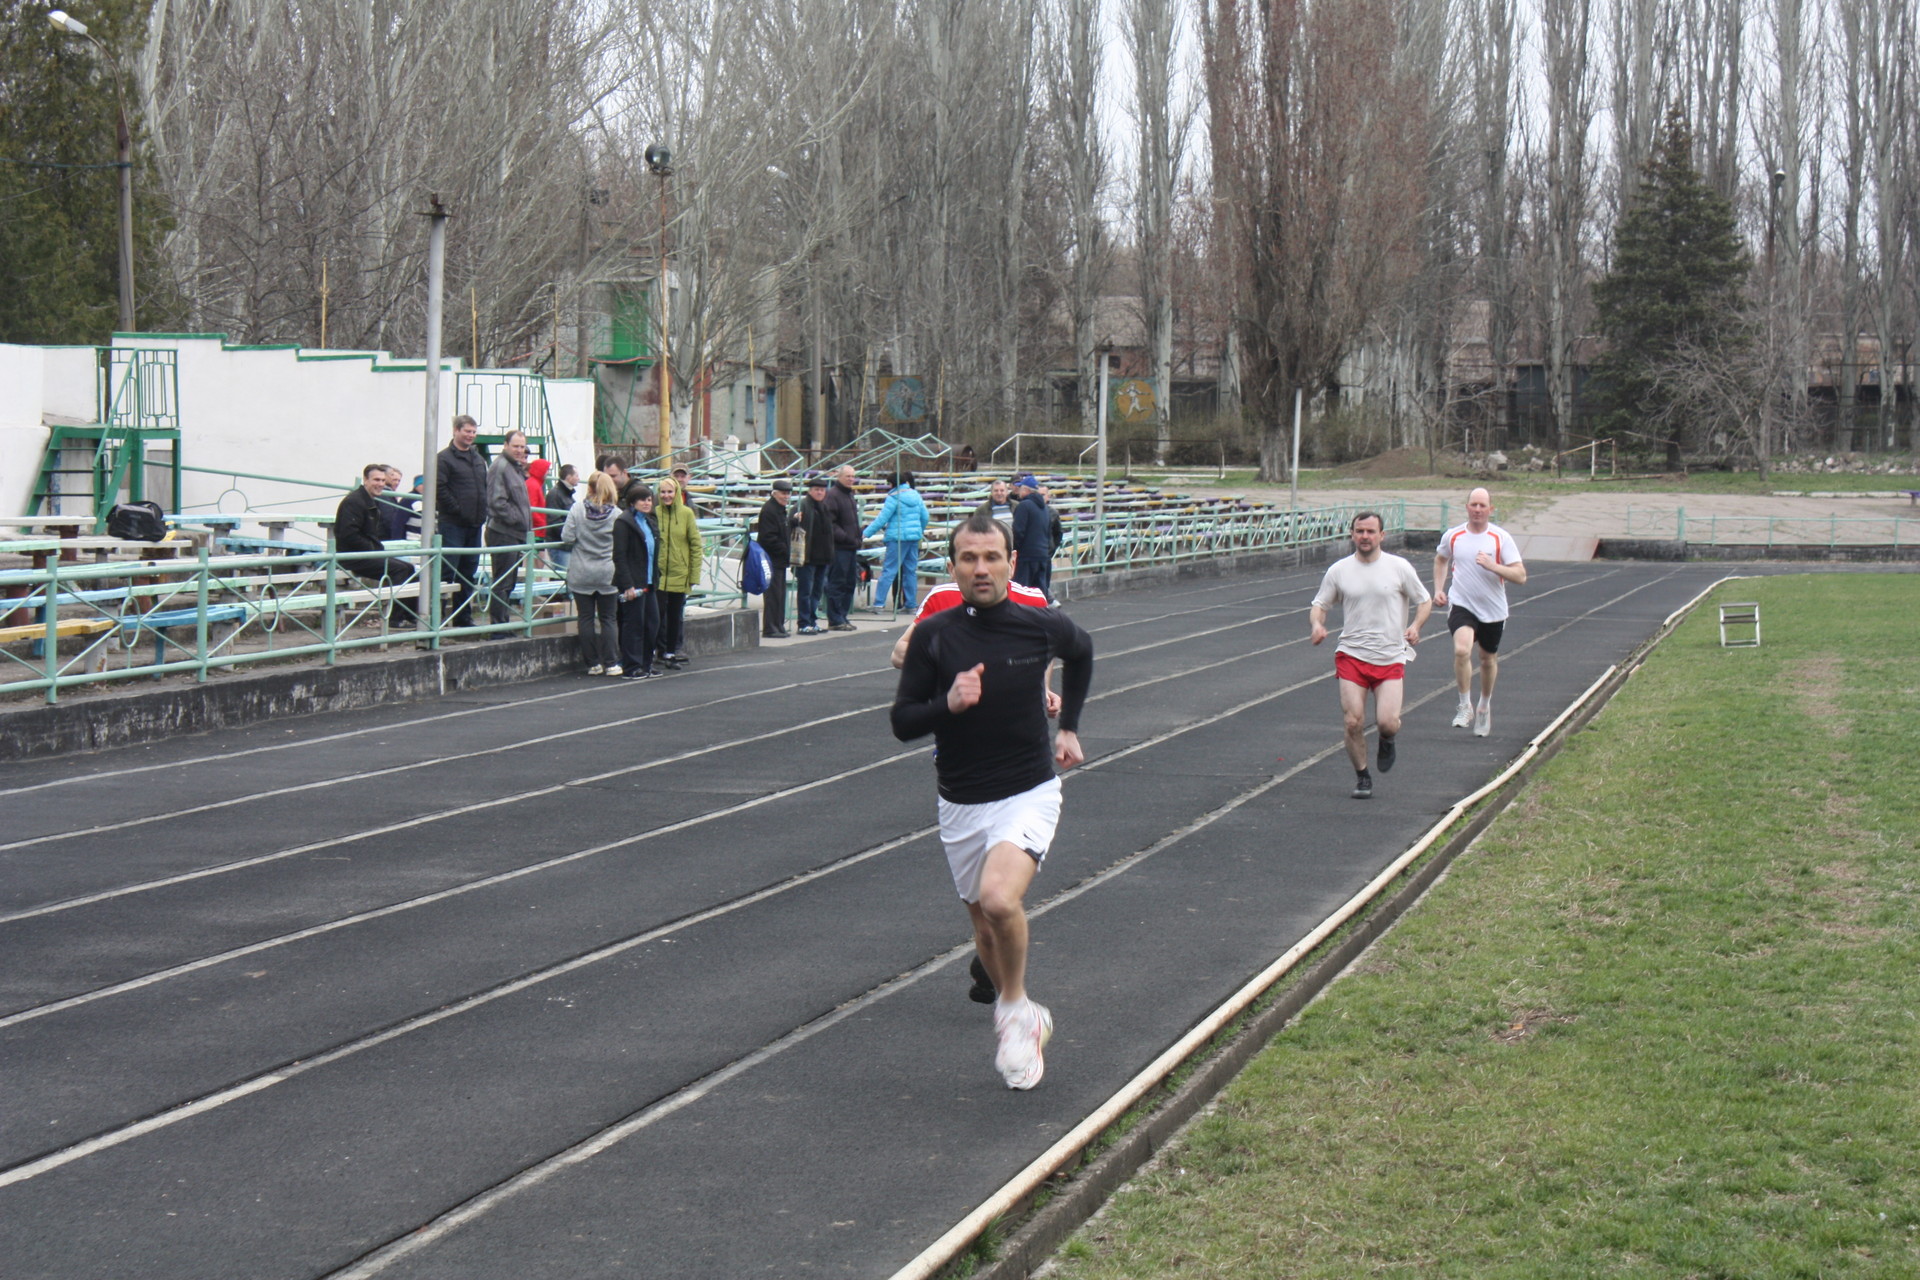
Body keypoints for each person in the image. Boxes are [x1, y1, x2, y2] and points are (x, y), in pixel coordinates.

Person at [891, 510, 1095, 1090]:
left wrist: (1070, 727)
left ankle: (1015, 1012)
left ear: (1010, 562)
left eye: (991, 557)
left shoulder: (1041, 623)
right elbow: (903, 722)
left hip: (1028, 789)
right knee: (984, 932)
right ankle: (1018, 1004)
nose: (981, 568)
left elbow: (1082, 654)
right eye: (968, 558)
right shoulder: (935, 635)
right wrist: (947, 705)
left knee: (1000, 901)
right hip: (960, 799)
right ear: (953, 567)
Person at [1310, 511, 1432, 800]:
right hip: (1351, 654)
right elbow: (1320, 604)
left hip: (1390, 656)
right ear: (1352, 534)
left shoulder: (1398, 567)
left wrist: (1415, 626)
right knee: (1353, 721)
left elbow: (1424, 601)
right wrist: (1317, 623)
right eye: (1360, 531)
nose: (1365, 536)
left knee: (1387, 721)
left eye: (1371, 531)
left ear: (1382, 535)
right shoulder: (1339, 570)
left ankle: (1387, 738)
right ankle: (1363, 775)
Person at [1433, 486, 1527, 737]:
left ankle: (1484, 705)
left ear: (1490, 510)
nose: (1477, 510)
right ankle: (1465, 705)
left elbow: (1520, 575)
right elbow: (1441, 559)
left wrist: (1493, 565)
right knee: (1462, 649)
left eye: (1482, 505)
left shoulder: (1500, 538)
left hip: (1493, 609)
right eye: (1473, 505)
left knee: (1487, 660)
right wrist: (1439, 589)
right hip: (1461, 603)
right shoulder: (1453, 536)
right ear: (1466, 507)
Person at [334, 464, 417, 622]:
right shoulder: (355, 502)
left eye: (383, 481)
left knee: (410, 568)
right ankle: (394, 618)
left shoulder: (368, 500)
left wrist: (374, 549)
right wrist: (373, 549)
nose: (380, 484)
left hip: (366, 553)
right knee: (399, 570)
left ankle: (410, 616)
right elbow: (349, 535)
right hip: (353, 557)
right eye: (376, 480)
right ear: (365, 480)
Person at [562, 471, 621, 675]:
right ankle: (612, 663)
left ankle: (593, 664)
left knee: (585, 618)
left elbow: (567, 536)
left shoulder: (577, 509)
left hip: (582, 570)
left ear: (589, 488)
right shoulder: (616, 514)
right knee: (608, 619)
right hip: (607, 572)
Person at [434, 414, 489, 628]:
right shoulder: (444, 458)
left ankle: (462, 617)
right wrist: (458, 510)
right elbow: (440, 488)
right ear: (456, 431)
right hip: (453, 524)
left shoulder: (478, 459)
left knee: (468, 571)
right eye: (467, 431)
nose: (470, 436)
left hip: (474, 524)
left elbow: (483, 487)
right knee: (448, 570)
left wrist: (481, 511)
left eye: (473, 432)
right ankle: (437, 617)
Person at [485, 429, 534, 632]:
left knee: (509, 581)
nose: (519, 450)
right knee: (503, 580)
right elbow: (496, 502)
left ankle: (503, 624)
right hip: (503, 532)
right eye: (515, 446)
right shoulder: (501, 467)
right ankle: (498, 627)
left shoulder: (515, 468)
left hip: (514, 532)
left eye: (522, 447)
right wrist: (517, 520)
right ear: (506, 445)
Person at [614, 481, 663, 679]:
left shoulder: (650, 521)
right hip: (634, 583)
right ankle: (631, 666)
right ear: (632, 502)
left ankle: (646, 663)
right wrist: (627, 585)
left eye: (649, 499)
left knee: (652, 623)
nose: (646, 503)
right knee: (633, 625)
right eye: (642, 500)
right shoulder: (623, 523)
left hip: (649, 581)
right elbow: (619, 555)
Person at [862, 471, 929, 613]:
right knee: (910, 572)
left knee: (889, 570)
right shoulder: (916, 495)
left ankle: (879, 603)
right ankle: (911, 604)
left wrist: (865, 533)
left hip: (897, 538)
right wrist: (918, 530)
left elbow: (882, 519)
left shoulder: (893, 498)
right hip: (913, 538)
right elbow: (925, 516)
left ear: (892, 483)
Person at [654, 477, 703, 669]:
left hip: (679, 573)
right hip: (658, 575)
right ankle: (658, 650)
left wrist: (693, 576)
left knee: (675, 615)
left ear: (676, 493)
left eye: (669, 492)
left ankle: (671, 651)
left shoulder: (686, 514)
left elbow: (695, 545)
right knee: (657, 615)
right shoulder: (654, 513)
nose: (666, 496)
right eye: (663, 492)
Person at [823, 463, 863, 631]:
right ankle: (835, 618)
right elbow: (830, 524)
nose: (851, 479)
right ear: (839, 477)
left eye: (853, 476)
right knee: (837, 583)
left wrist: (858, 535)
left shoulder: (849, 495)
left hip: (851, 547)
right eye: (848, 476)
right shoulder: (833, 495)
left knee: (849, 583)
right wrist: (847, 538)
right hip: (839, 548)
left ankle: (843, 616)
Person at [794, 474, 835, 634]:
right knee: (805, 591)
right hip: (807, 557)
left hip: (822, 557)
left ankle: (812, 620)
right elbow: (793, 521)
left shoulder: (824, 507)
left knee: (816, 591)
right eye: (817, 490)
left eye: (822, 490)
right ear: (810, 491)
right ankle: (803, 622)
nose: (820, 493)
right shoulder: (803, 505)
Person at [756, 478, 797, 638]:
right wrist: (785, 551)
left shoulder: (779, 510)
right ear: (775, 493)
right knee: (773, 595)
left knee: (779, 594)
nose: (786, 497)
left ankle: (778, 625)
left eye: (788, 494)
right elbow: (769, 537)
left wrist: (792, 523)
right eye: (783, 493)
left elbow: (782, 529)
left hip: (779, 560)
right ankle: (771, 627)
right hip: (771, 559)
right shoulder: (770, 510)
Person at [1009, 474, 1051, 592]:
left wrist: (1015, 550)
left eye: (1021, 488)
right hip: (1042, 555)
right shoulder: (1045, 509)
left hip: (1026, 557)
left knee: (1021, 592)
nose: (1018, 491)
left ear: (1026, 490)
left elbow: (1018, 531)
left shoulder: (1024, 506)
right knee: (1039, 593)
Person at [546, 463, 578, 573]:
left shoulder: (564, 493)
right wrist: (567, 535)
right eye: (576, 475)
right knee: (562, 574)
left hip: (565, 543)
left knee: (564, 574)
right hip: (559, 543)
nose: (578, 478)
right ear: (569, 477)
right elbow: (553, 520)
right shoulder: (556, 494)